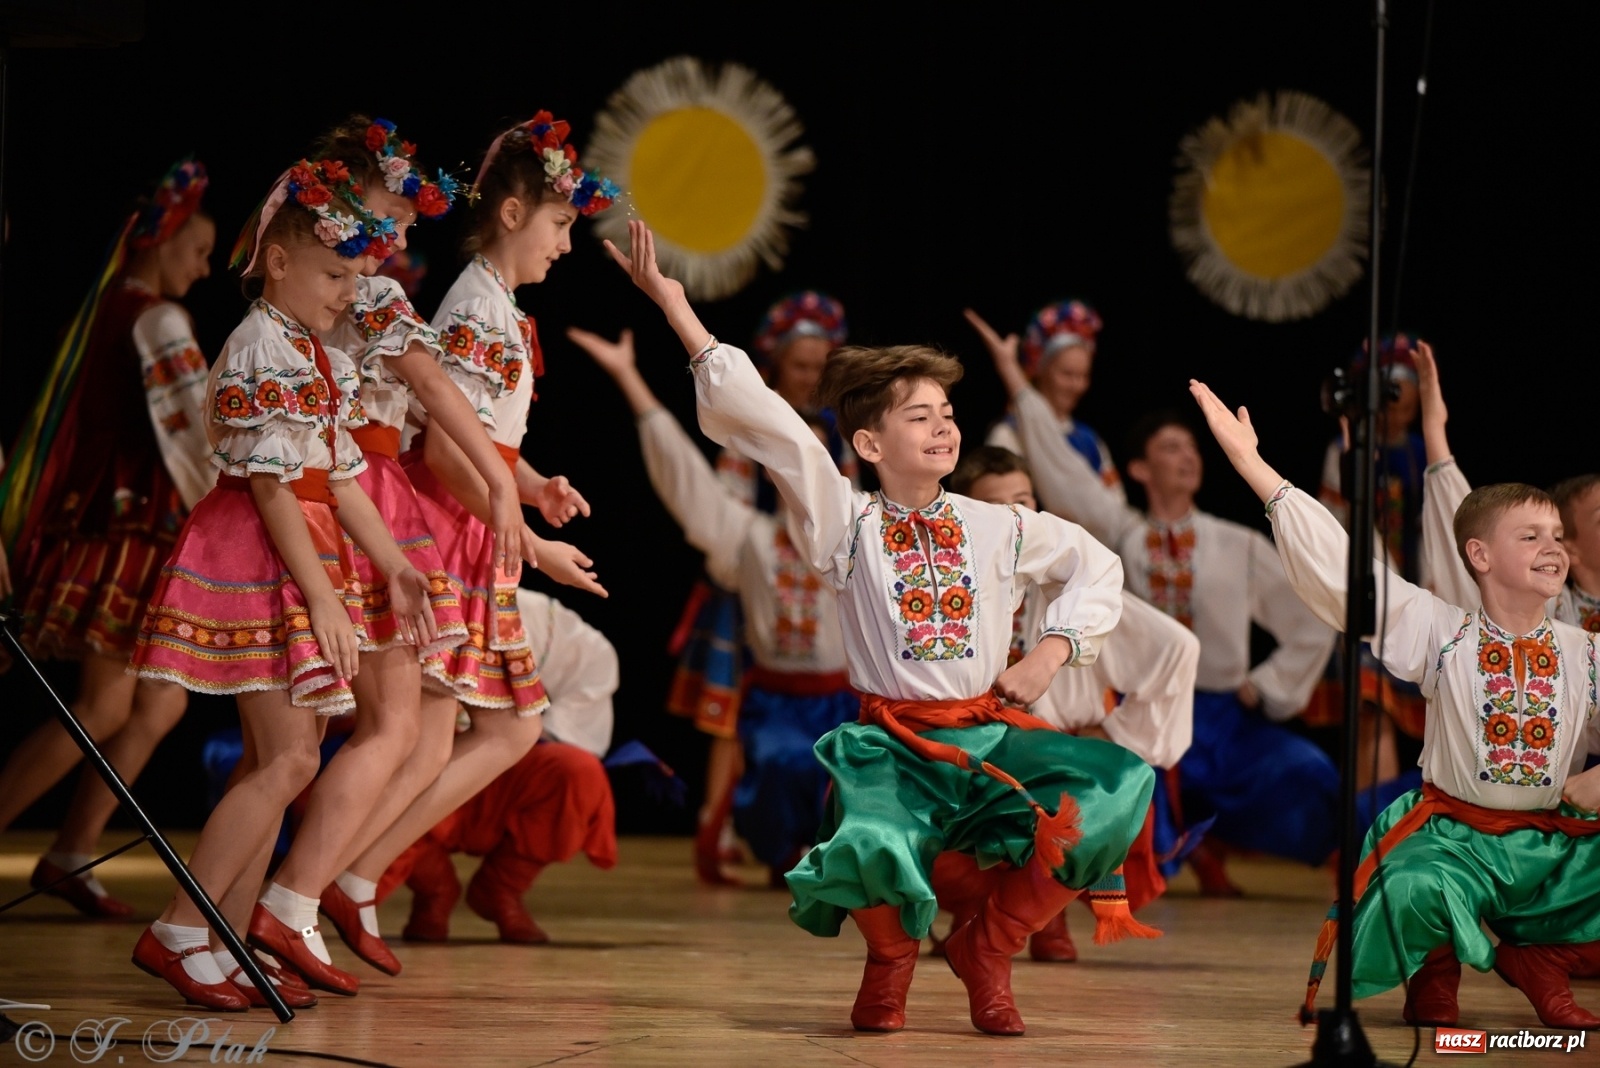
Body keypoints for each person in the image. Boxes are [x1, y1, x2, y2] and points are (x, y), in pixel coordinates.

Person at [606, 220, 1154, 1037]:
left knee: (1118, 784)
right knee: (864, 835)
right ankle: (891, 958)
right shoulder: (847, 525)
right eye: (919, 417)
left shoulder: (997, 524)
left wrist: (1049, 651)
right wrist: (681, 314)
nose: (942, 427)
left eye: (948, 413)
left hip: (990, 738)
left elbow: (1096, 563)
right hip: (893, 744)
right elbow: (776, 430)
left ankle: (990, 951)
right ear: (867, 443)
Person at [1189, 376, 1600, 1031]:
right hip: (1457, 840)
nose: (1552, 547)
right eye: (1530, 537)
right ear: (1481, 556)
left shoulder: (1586, 651)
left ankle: (1539, 961)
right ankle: (1436, 976)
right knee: (1415, 885)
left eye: (1556, 535)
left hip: (1547, 842)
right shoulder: (1444, 630)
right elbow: (1344, 568)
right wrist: (1253, 465)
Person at [127, 158, 438, 1009]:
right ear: (278, 262)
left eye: (356, 274)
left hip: (299, 545)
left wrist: (396, 566)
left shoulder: (309, 349)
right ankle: (183, 931)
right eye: (336, 274)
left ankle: (217, 938)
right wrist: (329, 597)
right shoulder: (263, 343)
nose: (351, 290)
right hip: (257, 550)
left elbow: (340, 476)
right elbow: (271, 486)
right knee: (292, 756)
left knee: (283, 757)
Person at [325, 111, 611, 973]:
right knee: (490, 729)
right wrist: (523, 527)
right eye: (561, 224)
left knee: (470, 732)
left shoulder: (495, 308)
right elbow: (446, 451)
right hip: (445, 530)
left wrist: (530, 483)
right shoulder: (479, 310)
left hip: (466, 522)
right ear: (516, 214)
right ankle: (340, 878)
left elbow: (479, 440)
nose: (566, 245)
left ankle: (351, 876)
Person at [986, 336, 1338, 895]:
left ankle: (1221, 842)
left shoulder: (1237, 544)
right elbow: (1060, 466)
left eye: (1192, 447)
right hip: (1143, 704)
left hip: (1225, 716)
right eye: (1170, 448)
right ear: (1140, 468)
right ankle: (1128, 864)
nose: (1188, 456)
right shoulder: (1117, 532)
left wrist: (1268, 684)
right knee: (1135, 765)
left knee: (1307, 772)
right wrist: (1014, 375)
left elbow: (1315, 614)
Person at [0, 160, 216, 918]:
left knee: (157, 708)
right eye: (196, 252)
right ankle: (45, 844)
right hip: (125, 528)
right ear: (162, 245)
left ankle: (68, 851)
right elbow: (192, 435)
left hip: (137, 528)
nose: (204, 267)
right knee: (100, 708)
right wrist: (230, 513)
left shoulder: (123, 310)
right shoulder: (152, 317)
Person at [570, 323, 855, 885]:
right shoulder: (749, 533)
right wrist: (632, 381)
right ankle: (773, 849)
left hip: (842, 693)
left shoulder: (858, 530)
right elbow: (687, 482)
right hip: (773, 686)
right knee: (772, 757)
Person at [931, 445, 1196, 962]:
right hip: (967, 759)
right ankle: (983, 913)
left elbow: (1174, 649)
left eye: (1025, 501)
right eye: (998, 506)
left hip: (1047, 766)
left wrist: (1120, 737)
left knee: (1087, 789)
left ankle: (1037, 917)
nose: (1017, 516)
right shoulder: (947, 585)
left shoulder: (1068, 586)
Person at [670, 290, 853, 884]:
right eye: (801, 366)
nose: (810, 378)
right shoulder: (749, 429)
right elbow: (725, 506)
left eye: (820, 367)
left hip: (817, 585)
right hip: (750, 582)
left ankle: (819, 833)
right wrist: (747, 560)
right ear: (775, 365)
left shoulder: (838, 431)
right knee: (730, 717)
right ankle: (718, 825)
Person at [377, 588, 619, 944]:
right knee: (350, 778)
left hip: (504, 781)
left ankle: (500, 889)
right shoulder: (400, 606)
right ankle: (434, 887)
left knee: (576, 771)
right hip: (418, 771)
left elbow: (579, 733)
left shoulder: (561, 632)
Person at [968, 302, 1121, 496]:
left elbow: (1113, 505)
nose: (1077, 386)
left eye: (1084, 376)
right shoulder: (1009, 435)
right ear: (1040, 370)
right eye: (1067, 374)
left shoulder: (1090, 440)